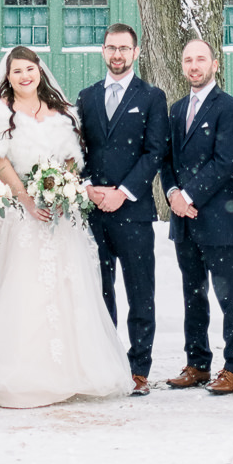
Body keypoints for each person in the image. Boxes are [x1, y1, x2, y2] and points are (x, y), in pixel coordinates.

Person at [0, 45, 132, 408]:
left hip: (59, 215)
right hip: (20, 212)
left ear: (39, 70)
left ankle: (73, 371)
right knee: (25, 288)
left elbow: (73, 158)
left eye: (29, 68)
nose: (25, 76)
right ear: (7, 77)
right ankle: (23, 372)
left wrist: (61, 188)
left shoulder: (61, 110)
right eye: (17, 71)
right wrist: (26, 197)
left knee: (67, 288)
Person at [76, 22, 169, 395]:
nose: (117, 55)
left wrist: (125, 191)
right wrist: (88, 187)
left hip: (133, 211)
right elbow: (78, 150)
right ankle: (107, 361)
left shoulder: (151, 97)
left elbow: (155, 151)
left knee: (140, 291)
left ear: (136, 52)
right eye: (111, 48)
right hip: (95, 211)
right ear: (103, 51)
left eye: (124, 49)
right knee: (100, 291)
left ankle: (138, 368)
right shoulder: (87, 97)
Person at [160, 37, 233, 394]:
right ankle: (197, 362)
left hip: (218, 217)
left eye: (201, 59)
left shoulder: (229, 107)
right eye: (188, 60)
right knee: (192, 294)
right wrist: (172, 195)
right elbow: (166, 161)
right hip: (183, 219)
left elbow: (225, 161)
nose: (194, 66)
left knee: (230, 296)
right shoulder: (177, 109)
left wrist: (189, 195)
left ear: (215, 64)